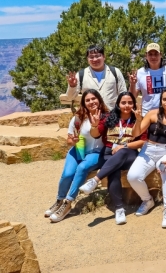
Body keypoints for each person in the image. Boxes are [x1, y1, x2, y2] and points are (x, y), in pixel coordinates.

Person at [79, 91, 147, 225]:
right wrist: (94, 125)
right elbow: (95, 135)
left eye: (130, 102)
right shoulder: (109, 117)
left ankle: (95, 180)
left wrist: (124, 146)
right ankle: (119, 209)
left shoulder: (138, 118)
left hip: (129, 153)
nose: (126, 105)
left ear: (133, 104)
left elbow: (143, 141)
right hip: (108, 153)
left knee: (122, 152)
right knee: (113, 171)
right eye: (123, 102)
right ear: (117, 104)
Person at [45, 89, 109, 222]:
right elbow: (69, 140)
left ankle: (67, 203)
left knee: (82, 168)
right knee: (67, 174)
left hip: (96, 152)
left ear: (99, 99)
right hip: (78, 150)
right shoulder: (78, 118)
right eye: (88, 100)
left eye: (94, 99)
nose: (91, 102)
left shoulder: (107, 117)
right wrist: (72, 141)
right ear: (84, 103)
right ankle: (59, 200)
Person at [127, 88, 166, 228]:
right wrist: (138, 120)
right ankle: (147, 200)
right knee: (133, 176)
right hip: (149, 150)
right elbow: (136, 133)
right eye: (164, 99)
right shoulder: (153, 114)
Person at [129, 43, 166, 116]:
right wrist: (132, 84)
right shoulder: (140, 73)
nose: (153, 57)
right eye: (150, 54)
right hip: (147, 115)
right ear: (146, 56)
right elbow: (132, 97)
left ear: (161, 55)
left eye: (156, 54)